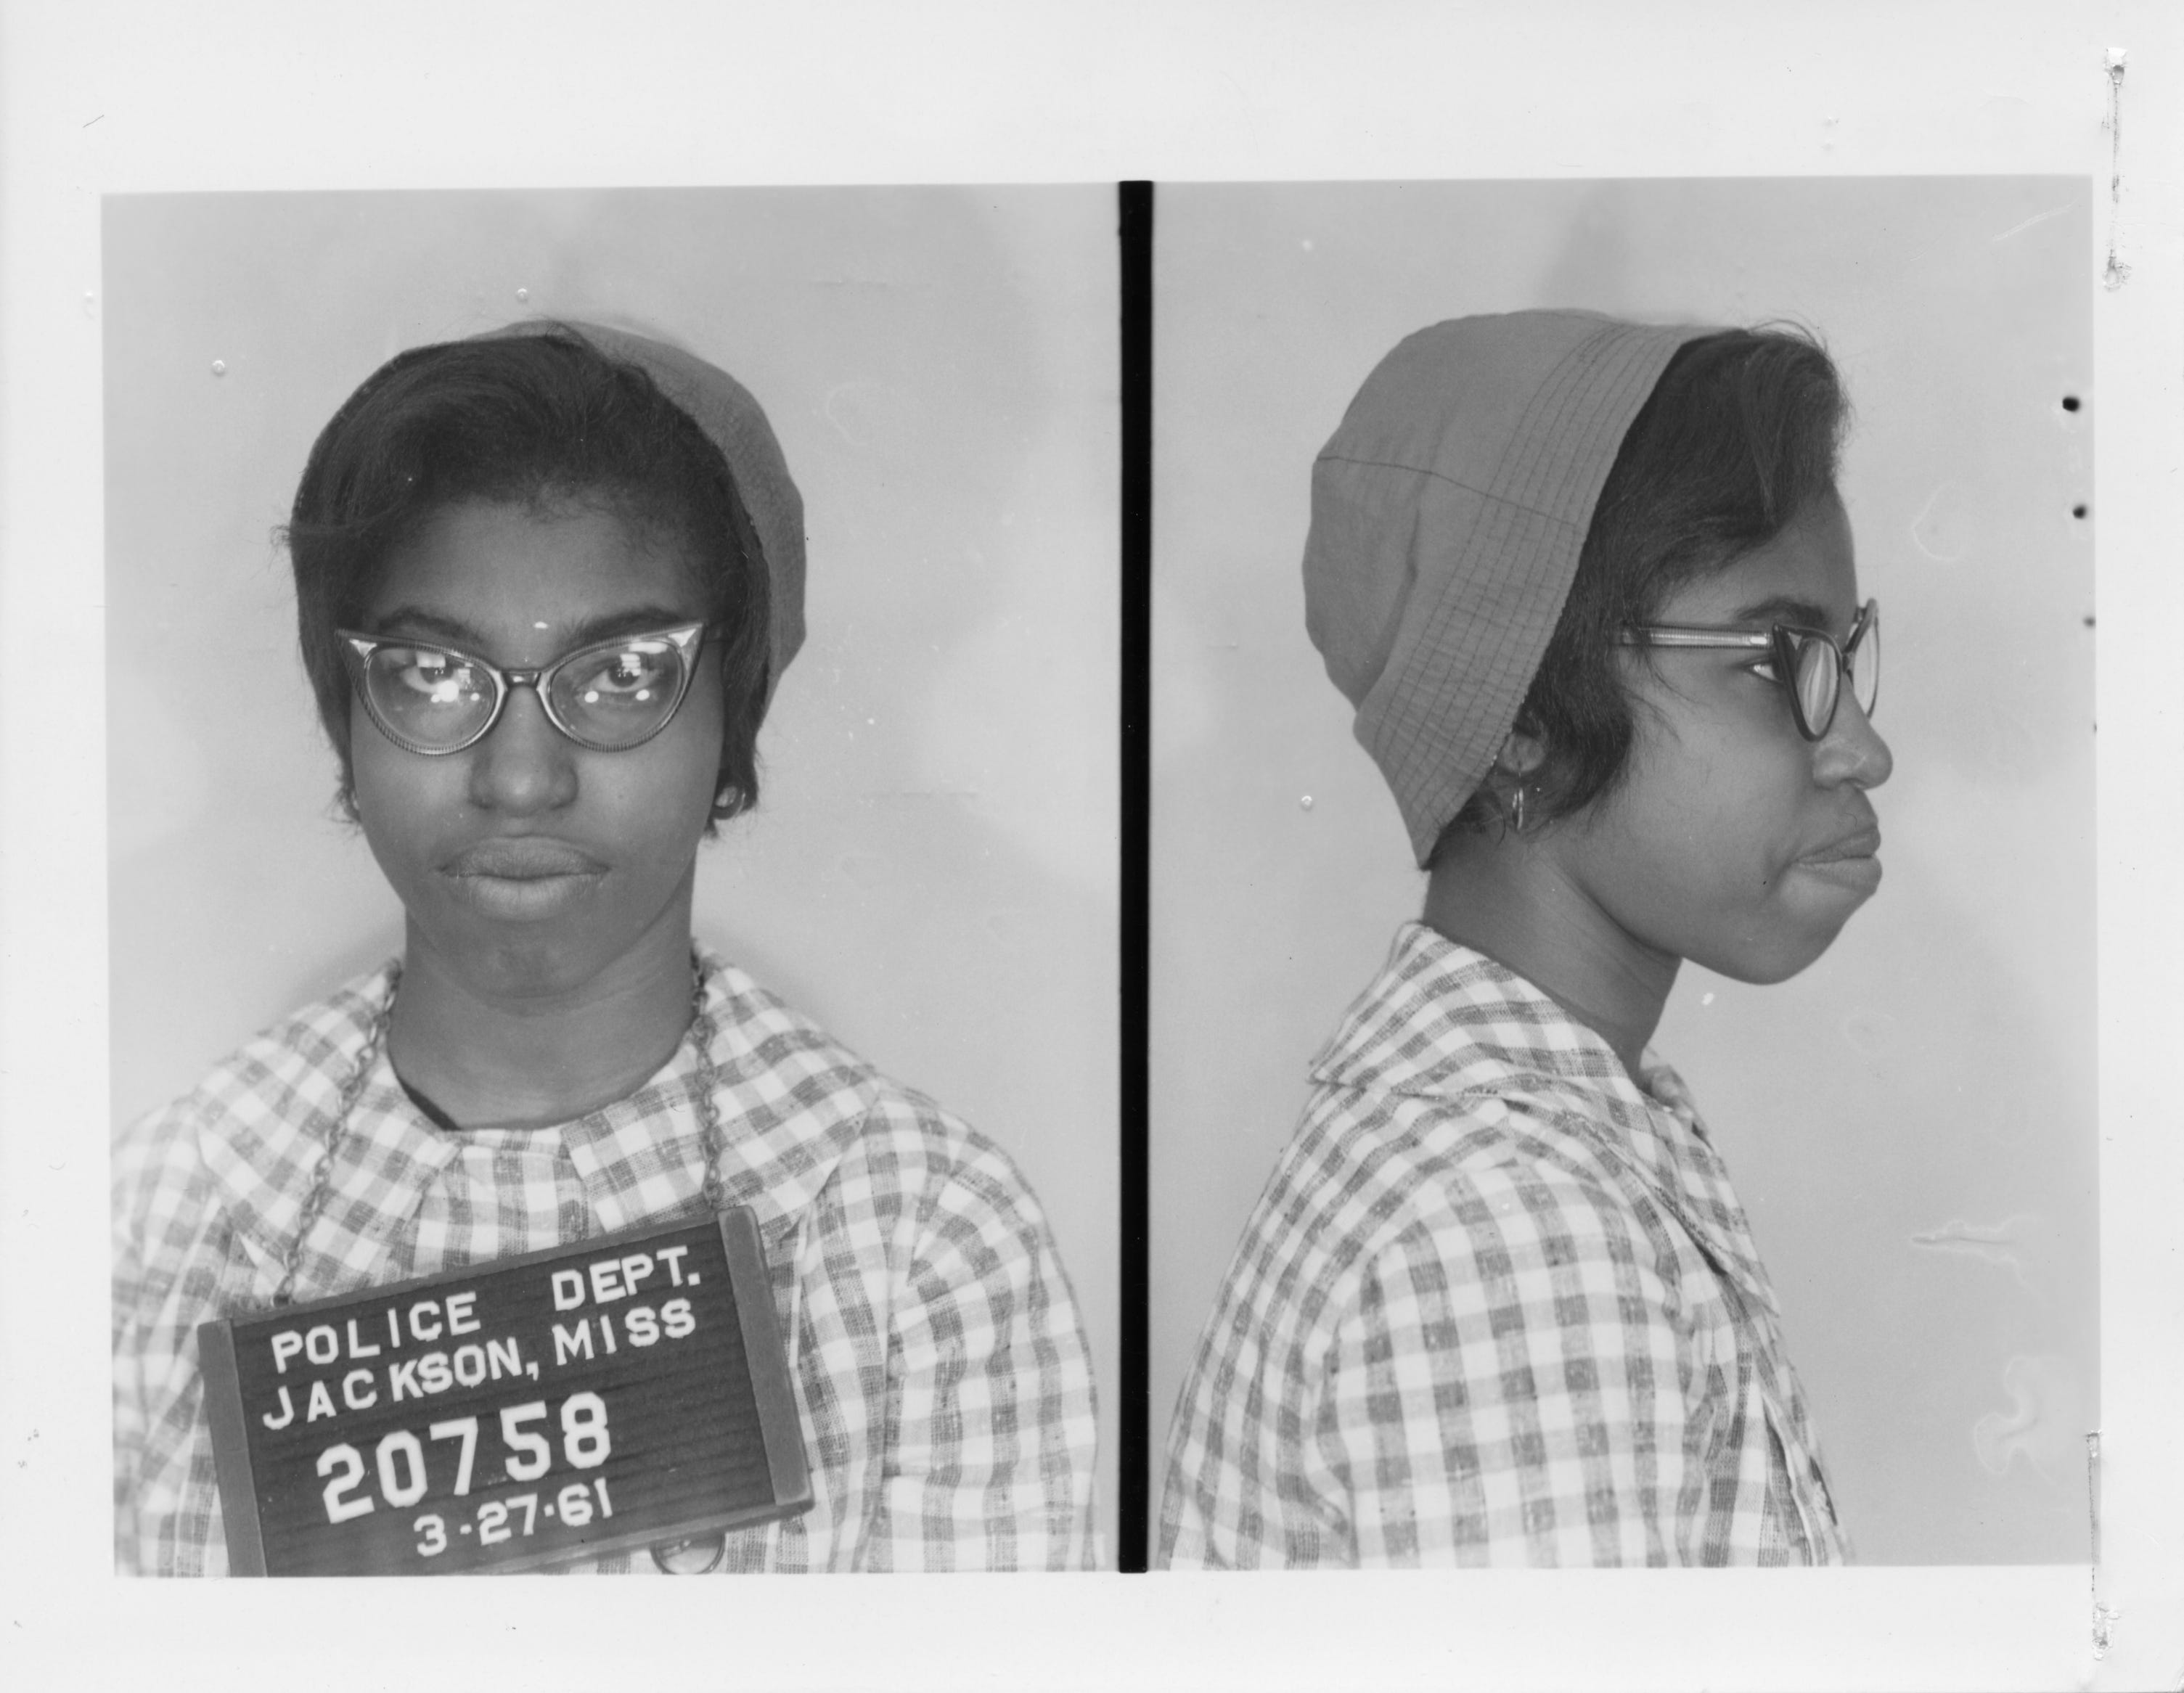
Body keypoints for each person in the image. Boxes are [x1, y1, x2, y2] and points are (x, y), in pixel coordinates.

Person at [113, 320, 1100, 1574]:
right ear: (343, 715)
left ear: (733, 719)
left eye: (625, 674)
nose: (522, 777)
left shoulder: (922, 1235)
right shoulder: (155, 1218)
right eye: (431, 674)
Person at [1160, 310, 1890, 1567]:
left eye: (1845, 657)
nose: (1861, 750)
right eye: (1778, 662)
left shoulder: (1550, 1147)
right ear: (1516, 723)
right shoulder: (1505, 1223)